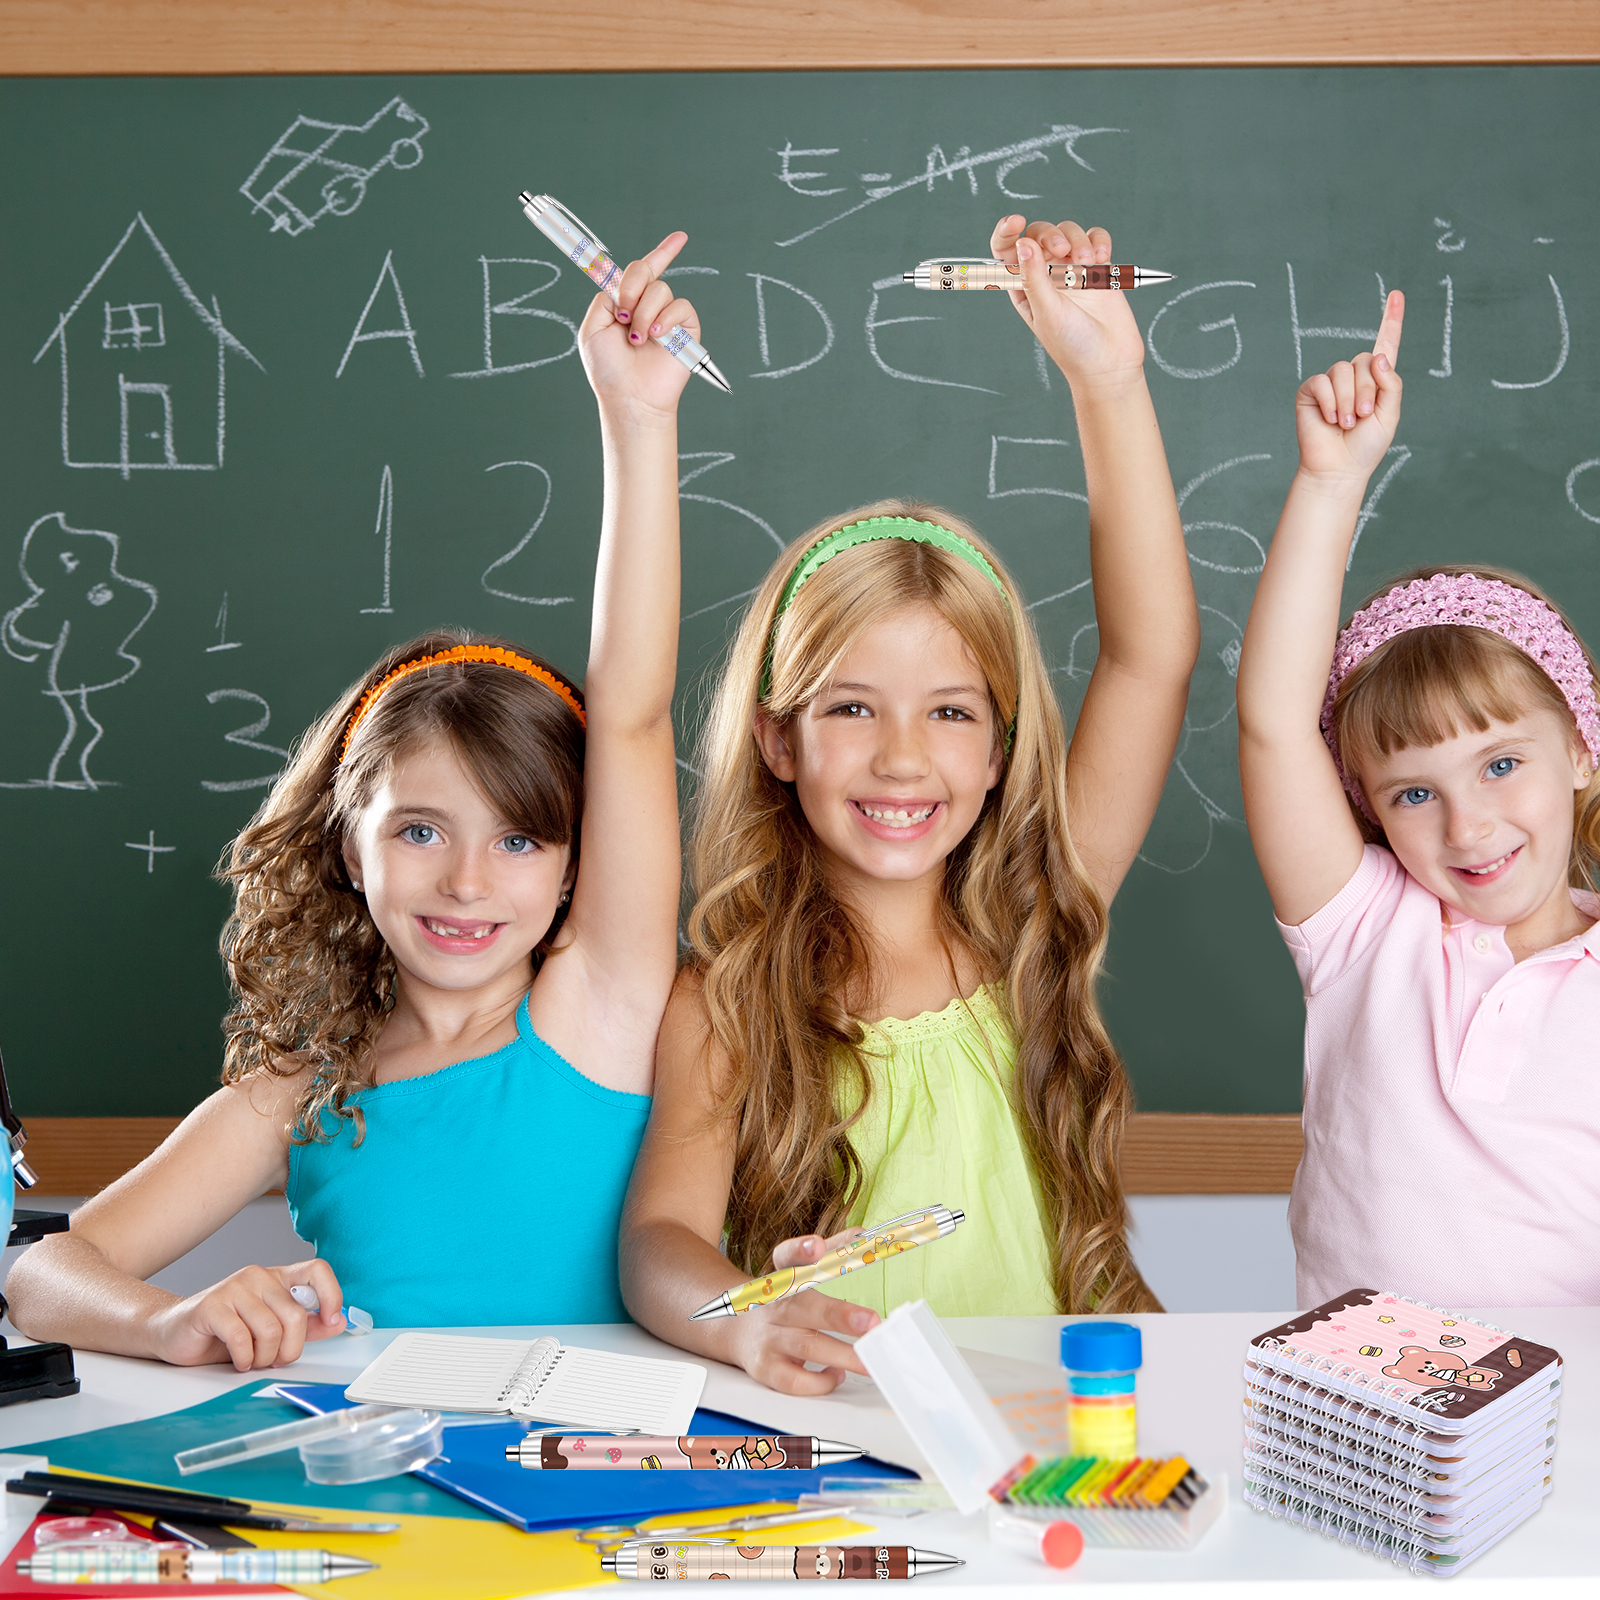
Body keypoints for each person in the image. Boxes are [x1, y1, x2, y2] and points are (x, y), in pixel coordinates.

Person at [6, 234, 701, 1368]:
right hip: (382, 1468)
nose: (466, 883)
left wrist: (637, 416)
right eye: (420, 830)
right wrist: (171, 1319)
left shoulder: (600, 1008)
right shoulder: (302, 1088)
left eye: (519, 840)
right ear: (347, 844)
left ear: (576, 865)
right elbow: (42, 1274)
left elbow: (630, 711)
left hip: (597, 1470)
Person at [621, 215, 1200, 1394]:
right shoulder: (731, 998)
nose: (900, 759)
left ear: (999, 752)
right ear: (777, 739)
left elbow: (1150, 658)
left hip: (1042, 1443)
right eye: (850, 708)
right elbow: (657, 1243)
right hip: (840, 1448)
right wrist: (744, 1321)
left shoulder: (1033, 921)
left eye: (949, 712)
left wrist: (1107, 379)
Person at [1237, 291, 1600, 1307]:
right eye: (1411, 792)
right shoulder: (1362, 929)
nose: (1467, 825)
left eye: (1500, 765)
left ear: (1580, 750)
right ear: (1367, 804)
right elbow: (1273, 721)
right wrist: (1330, 480)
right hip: (1354, 1395)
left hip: (1567, 1398)